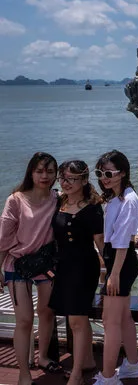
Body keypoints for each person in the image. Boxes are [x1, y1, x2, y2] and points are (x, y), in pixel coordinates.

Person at [0, 152, 63, 385]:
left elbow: (88, 207)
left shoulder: (59, 198)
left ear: (56, 174)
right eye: (39, 171)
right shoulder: (16, 199)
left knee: (47, 313)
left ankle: (44, 357)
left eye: (49, 171)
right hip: (17, 264)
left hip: (46, 265)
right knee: (24, 320)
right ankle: (23, 373)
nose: (44, 176)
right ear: (31, 172)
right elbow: (3, 238)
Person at [49, 160, 104, 385]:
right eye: (62, 178)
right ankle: (88, 361)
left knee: (77, 322)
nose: (66, 182)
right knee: (77, 321)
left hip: (83, 269)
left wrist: (109, 271)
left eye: (71, 178)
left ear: (83, 180)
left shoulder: (92, 208)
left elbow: (101, 243)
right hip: (63, 268)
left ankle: (76, 374)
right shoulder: (59, 202)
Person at [93, 150, 138, 385]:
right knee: (123, 318)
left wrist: (113, 274)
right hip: (120, 261)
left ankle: (107, 378)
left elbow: (122, 240)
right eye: (100, 173)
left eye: (108, 173)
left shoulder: (128, 198)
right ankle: (133, 365)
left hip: (120, 263)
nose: (104, 177)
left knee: (110, 321)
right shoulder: (115, 197)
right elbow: (126, 232)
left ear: (122, 172)